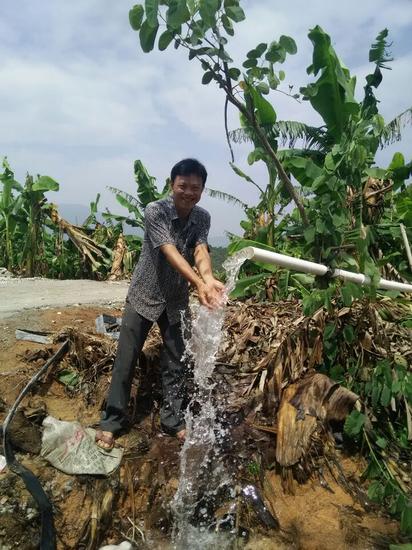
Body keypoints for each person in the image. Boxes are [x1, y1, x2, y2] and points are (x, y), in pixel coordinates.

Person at [95, 158, 224, 449]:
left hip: (176, 300)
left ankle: (172, 420)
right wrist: (200, 284)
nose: (189, 192)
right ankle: (112, 421)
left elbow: (200, 249)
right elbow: (169, 251)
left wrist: (209, 277)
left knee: (177, 360)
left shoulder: (202, 217)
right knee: (126, 359)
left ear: (202, 189)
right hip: (144, 295)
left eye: (196, 187)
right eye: (183, 186)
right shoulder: (156, 210)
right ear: (172, 185)